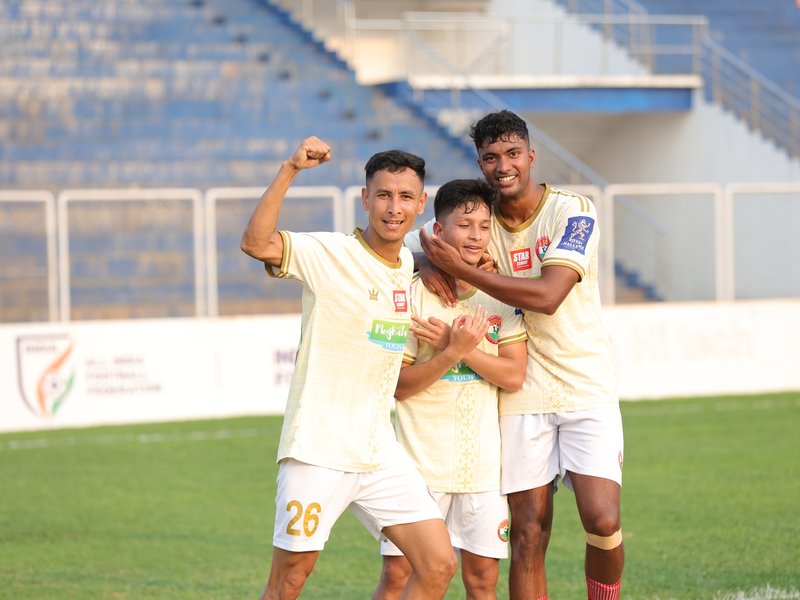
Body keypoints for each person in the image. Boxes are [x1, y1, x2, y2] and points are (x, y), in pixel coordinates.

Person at [412, 110, 625, 600]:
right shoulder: (475, 219)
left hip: (583, 380)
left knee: (603, 518)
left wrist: (465, 268)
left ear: (531, 156)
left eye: (512, 154)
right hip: (519, 390)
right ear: (480, 163)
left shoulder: (574, 211)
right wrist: (431, 263)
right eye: (490, 157)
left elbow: (549, 295)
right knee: (528, 532)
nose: (502, 165)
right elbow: (409, 249)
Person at [241, 136, 458, 600]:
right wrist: (290, 168)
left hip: (378, 450)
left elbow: (399, 265)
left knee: (438, 564)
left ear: (421, 205)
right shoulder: (329, 254)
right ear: (365, 199)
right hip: (318, 449)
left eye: (404, 197)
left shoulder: (405, 264)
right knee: (289, 582)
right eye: (383, 195)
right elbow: (256, 242)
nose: (393, 207)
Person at [372, 179, 528, 600]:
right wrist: (449, 354)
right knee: (399, 577)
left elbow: (513, 377)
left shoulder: (500, 295)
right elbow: (400, 388)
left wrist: (459, 348)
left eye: (483, 225)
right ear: (438, 232)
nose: (476, 235)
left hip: (482, 471)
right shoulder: (410, 295)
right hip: (418, 469)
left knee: (482, 584)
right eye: (464, 225)